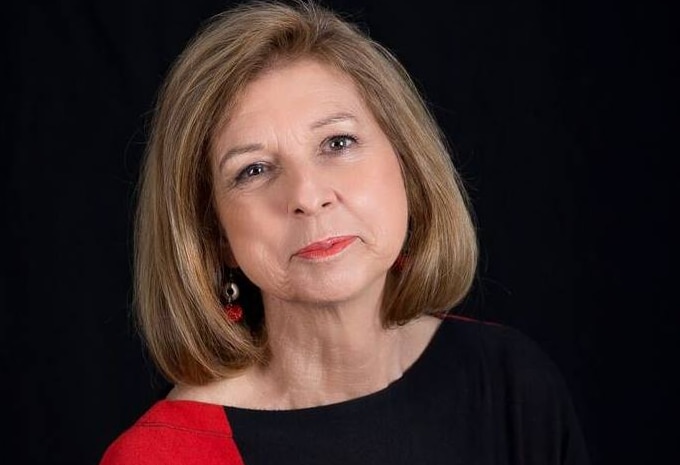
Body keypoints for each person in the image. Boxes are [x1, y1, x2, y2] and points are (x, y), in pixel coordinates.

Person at [99, 1, 590, 464]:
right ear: (215, 234)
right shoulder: (164, 455)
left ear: (408, 166)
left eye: (338, 142)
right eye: (253, 170)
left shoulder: (511, 386)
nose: (308, 195)